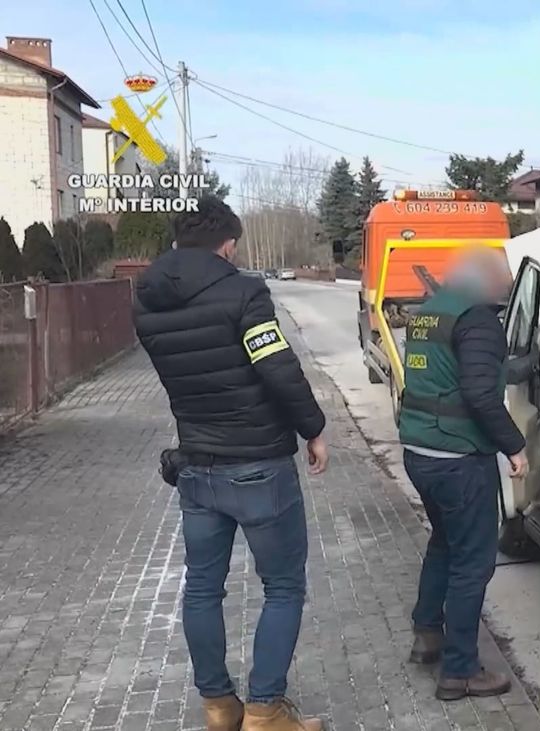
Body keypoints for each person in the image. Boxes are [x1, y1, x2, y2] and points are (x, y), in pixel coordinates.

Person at [133, 196, 328, 731]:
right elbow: (277, 368)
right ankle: (264, 712)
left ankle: (219, 707)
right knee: (284, 586)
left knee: (202, 587)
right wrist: (313, 429)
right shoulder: (243, 291)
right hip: (258, 465)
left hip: (195, 464)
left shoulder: (146, 300)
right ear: (227, 243)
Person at [398, 246, 526, 700]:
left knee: (444, 543)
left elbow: (454, 373)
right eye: (504, 280)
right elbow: (478, 392)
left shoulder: (430, 311)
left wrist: (515, 368)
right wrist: (515, 446)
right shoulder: (478, 319)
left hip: (418, 449)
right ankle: (459, 672)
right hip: (458, 457)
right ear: (484, 281)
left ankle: (427, 635)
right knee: (473, 563)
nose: (508, 288)